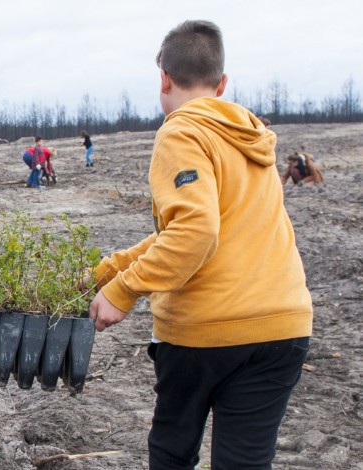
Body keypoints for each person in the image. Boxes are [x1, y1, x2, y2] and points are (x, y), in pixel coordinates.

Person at [85, 20, 312, 469]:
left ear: (164, 78)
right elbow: (201, 227)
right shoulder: (252, 139)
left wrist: (124, 290)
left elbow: (195, 232)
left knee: (172, 452)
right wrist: (110, 270)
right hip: (282, 329)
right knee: (245, 462)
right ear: (221, 83)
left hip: (205, 334)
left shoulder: (181, 131)